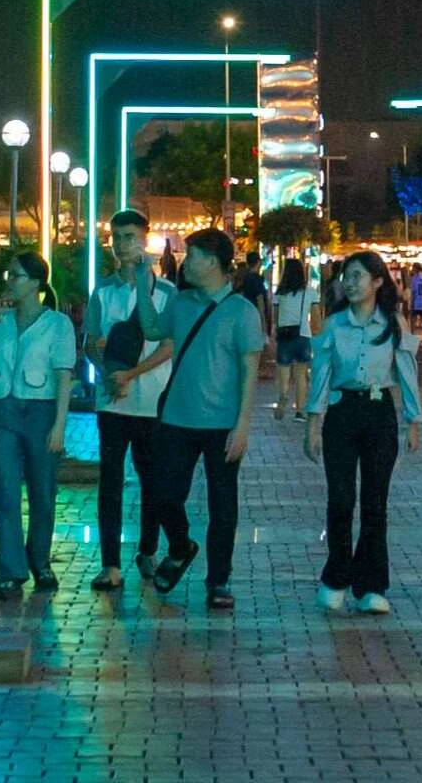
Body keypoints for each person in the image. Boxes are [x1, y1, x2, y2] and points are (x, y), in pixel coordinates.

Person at [132, 227, 265, 611]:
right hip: (177, 418)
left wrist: (243, 426)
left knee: (223, 506)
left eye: (192, 256)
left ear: (212, 262)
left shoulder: (242, 312)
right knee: (163, 495)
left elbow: (249, 372)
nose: (186, 263)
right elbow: (153, 329)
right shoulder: (181, 302)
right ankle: (180, 546)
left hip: (222, 424)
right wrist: (144, 285)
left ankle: (218, 580)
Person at [304, 251, 422, 616]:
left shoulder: (394, 324)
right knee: (340, 499)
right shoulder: (333, 325)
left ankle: (371, 584)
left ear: (377, 282)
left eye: (358, 276)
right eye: (346, 276)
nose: (350, 283)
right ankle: (336, 577)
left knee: (375, 503)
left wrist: (413, 421)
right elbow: (321, 376)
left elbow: (407, 373)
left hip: (379, 415)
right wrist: (313, 423)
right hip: (342, 413)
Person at [0, 252, 76, 600]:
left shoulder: (57, 324)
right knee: (4, 491)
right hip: (3, 412)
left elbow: (64, 376)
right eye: (10, 274)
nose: (10, 281)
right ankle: (10, 572)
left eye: (18, 276)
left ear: (37, 283)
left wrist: (59, 427)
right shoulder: (0, 323)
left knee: (42, 491)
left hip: (41, 413)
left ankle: (40, 562)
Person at [82, 210, 174, 592]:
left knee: (153, 480)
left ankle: (148, 550)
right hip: (112, 403)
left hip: (152, 401)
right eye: (117, 237)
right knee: (111, 481)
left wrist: (131, 375)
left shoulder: (165, 292)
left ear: (145, 239)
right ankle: (110, 565)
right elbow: (89, 341)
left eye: (130, 236)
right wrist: (106, 371)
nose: (123, 244)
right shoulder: (102, 291)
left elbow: (169, 345)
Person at [271, 259, 320, 423]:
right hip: (303, 336)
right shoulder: (310, 292)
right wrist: (318, 335)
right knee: (301, 377)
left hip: (284, 336)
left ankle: (283, 396)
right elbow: (315, 318)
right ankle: (300, 411)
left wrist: (274, 333)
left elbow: (275, 317)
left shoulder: (279, 293)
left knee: (283, 373)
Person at [408, 266, 422, 337]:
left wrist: (411, 302)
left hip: (416, 301)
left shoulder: (414, 279)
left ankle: (412, 334)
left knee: (412, 319)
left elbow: (413, 291)